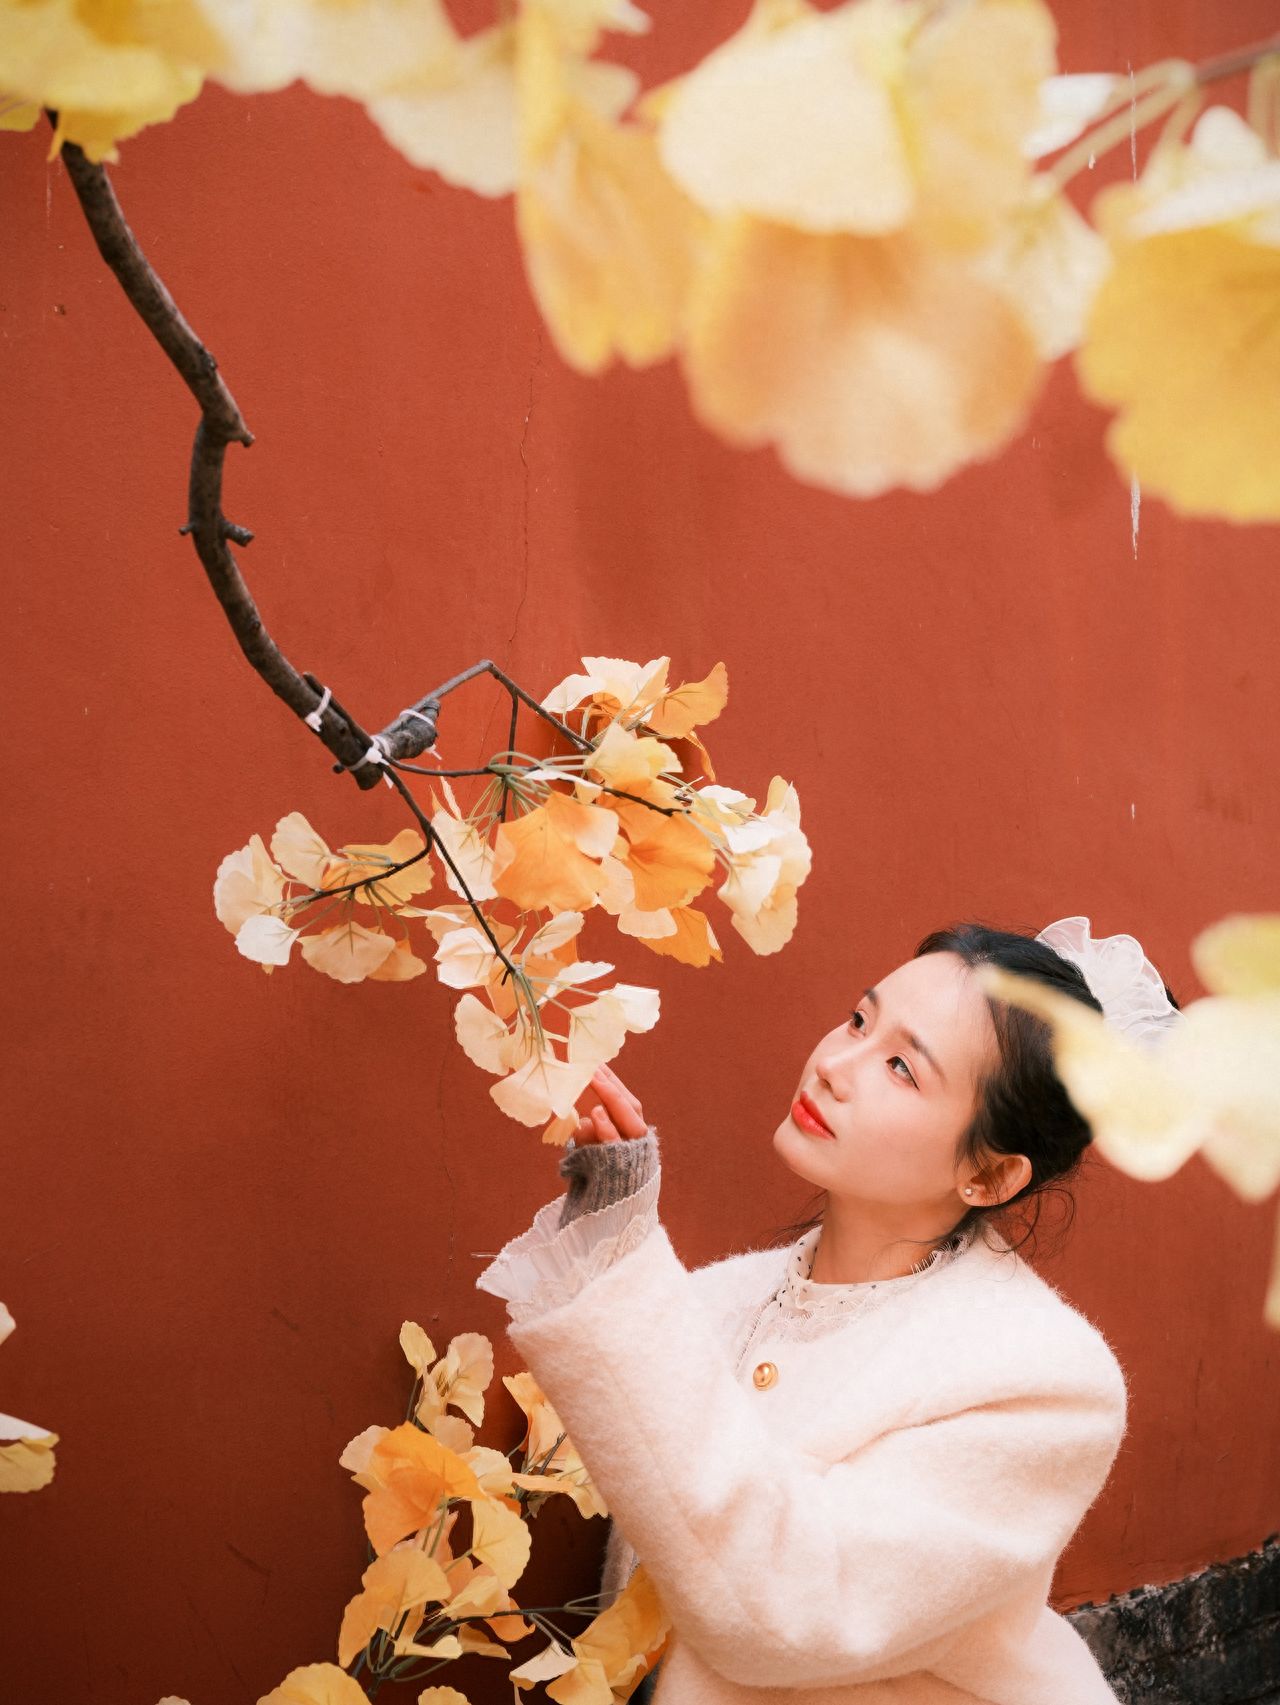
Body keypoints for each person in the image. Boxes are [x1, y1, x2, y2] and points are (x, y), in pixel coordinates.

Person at [476, 917, 1181, 1705]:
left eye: (902, 1068)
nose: (836, 1065)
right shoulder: (716, 1298)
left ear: (989, 1173)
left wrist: (623, 1258)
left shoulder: (1046, 1382)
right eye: (858, 1018)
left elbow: (782, 1608)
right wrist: (611, 1244)